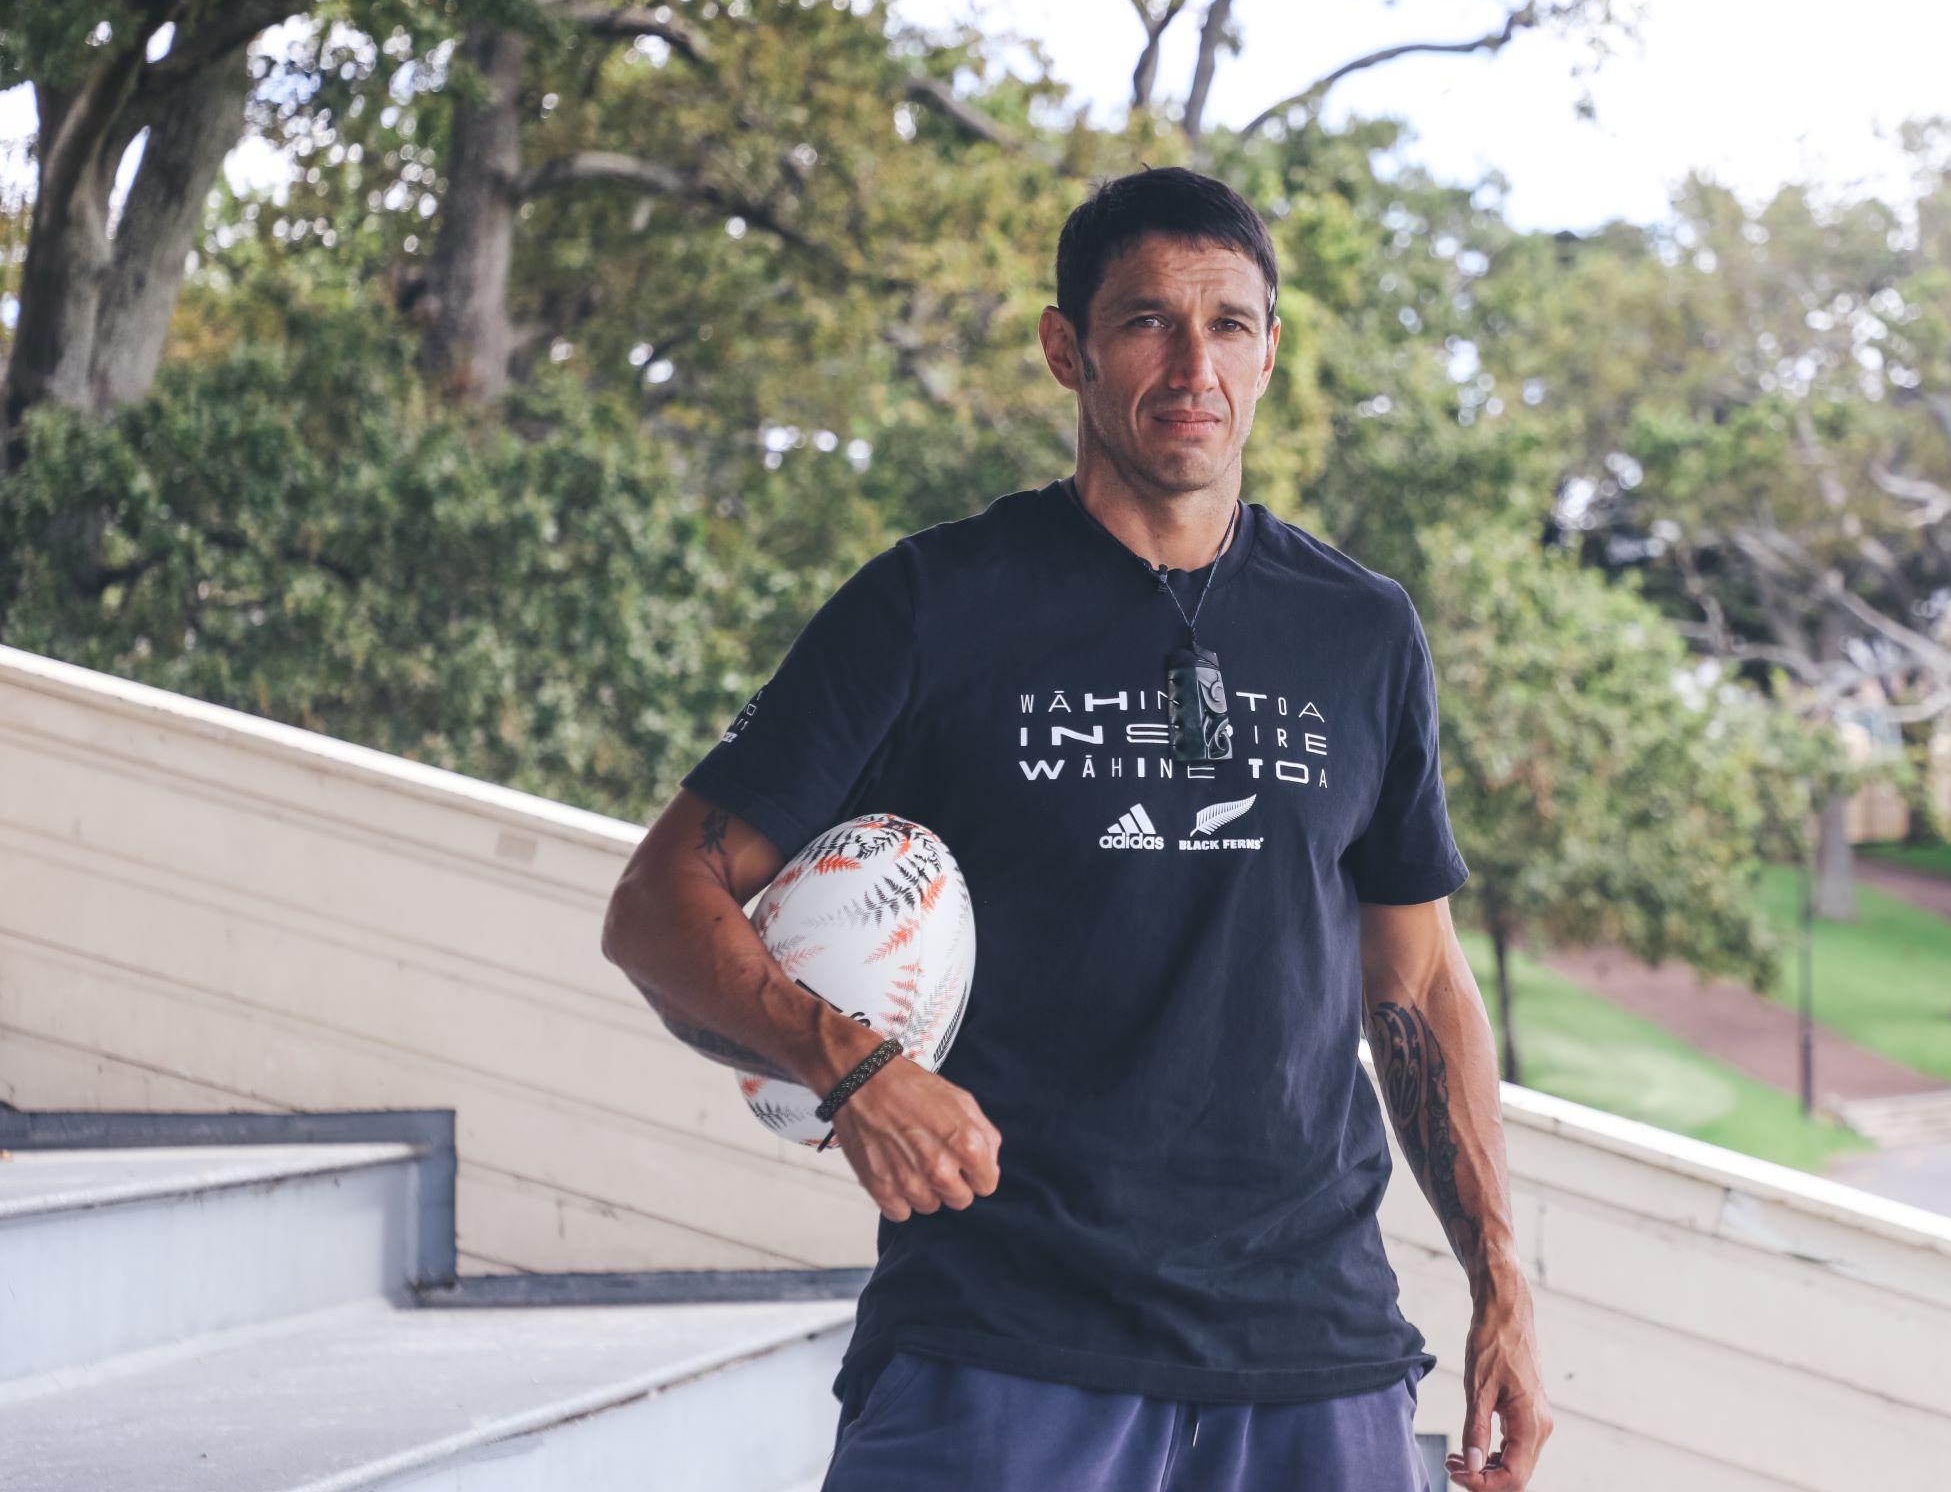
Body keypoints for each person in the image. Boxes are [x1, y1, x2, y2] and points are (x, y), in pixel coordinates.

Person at [601, 166, 1551, 1492]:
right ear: (1068, 349)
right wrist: (852, 1066)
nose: (1194, 365)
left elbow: (1417, 981)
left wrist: (1501, 1275)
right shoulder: (932, 606)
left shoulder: (1361, 631)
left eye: (1228, 325)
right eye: (1147, 321)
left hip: (1313, 1350)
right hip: (1004, 1339)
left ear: (1269, 353)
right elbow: (659, 904)